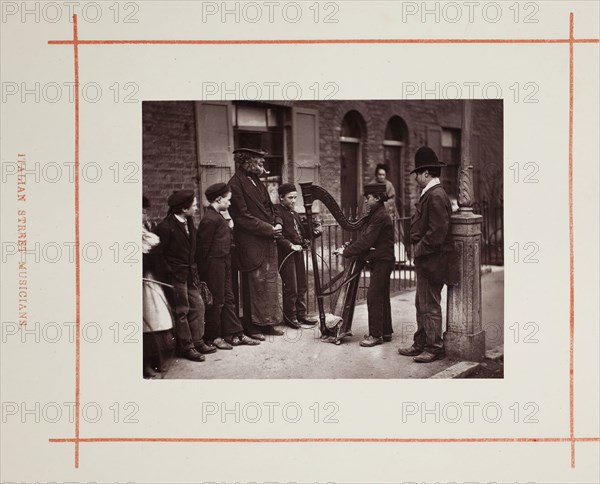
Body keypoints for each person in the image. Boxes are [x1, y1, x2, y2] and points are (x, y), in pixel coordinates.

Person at [398, 147, 457, 363]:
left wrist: (418, 249)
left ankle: (434, 347)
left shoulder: (436, 195)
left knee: (430, 305)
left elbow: (437, 233)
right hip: (428, 260)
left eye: (417, 175)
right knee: (421, 303)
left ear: (426, 173)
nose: (415, 179)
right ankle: (421, 343)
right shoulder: (433, 194)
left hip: (433, 261)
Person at [228, 148, 284, 339]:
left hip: (267, 240)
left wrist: (277, 222)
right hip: (251, 243)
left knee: (269, 282)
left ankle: (268, 323)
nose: (263, 166)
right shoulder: (235, 184)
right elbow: (242, 217)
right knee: (254, 283)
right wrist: (269, 228)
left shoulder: (258, 181)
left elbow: (271, 207)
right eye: (259, 163)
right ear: (246, 162)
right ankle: (253, 327)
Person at [196, 183, 260, 349]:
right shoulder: (209, 219)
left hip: (224, 262)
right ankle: (213, 337)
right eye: (228, 200)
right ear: (218, 199)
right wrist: (204, 273)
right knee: (216, 301)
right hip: (213, 265)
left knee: (229, 299)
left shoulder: (219, 216)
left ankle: (235, 333)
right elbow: (202, 249)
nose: (230, 203)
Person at [154, 190, 215, 362]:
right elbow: (158, 254)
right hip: (175, 276)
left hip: (189, 274)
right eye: (194, 205)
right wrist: (169, 272)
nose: (196, 208)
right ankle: (186, 347)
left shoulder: (188, 222)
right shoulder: (166, 227)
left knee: (198, 305)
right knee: (181, 311)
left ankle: (198, 341)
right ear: (183, 208)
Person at [334, 183, 395, 347]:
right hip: (382, 259)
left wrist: (345, 252)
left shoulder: (380, 216)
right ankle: (386, 331)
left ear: (377, 197)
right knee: (382, 296)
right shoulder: (376, 214)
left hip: (383, 261)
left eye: (368, 198)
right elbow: (366, 239)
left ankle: (376, 335)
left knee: (374, 296)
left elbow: (367, 241)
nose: (366, 201)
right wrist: (351, 246)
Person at [275, 183, 319, 329]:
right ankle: (290, 316)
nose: (294, 201)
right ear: (281, 198)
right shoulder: (277, 212)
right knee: (291, 287)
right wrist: (290, 245)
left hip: (298, 253)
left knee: (302, 285)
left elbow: (302, 233)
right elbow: (278, 235)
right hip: (286, 255)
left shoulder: (294, 214)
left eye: (295, 197)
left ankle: (301, 314)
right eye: (290, 198)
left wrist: (315, 232)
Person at [142, 195, 174, 378]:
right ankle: (146, 364)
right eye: (142, 211)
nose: (145, 215)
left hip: (151, 279)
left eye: (145, 211)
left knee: (158, 319)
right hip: (142, 281)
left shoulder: (146, 229)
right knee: (146, 323)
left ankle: (156, 360)